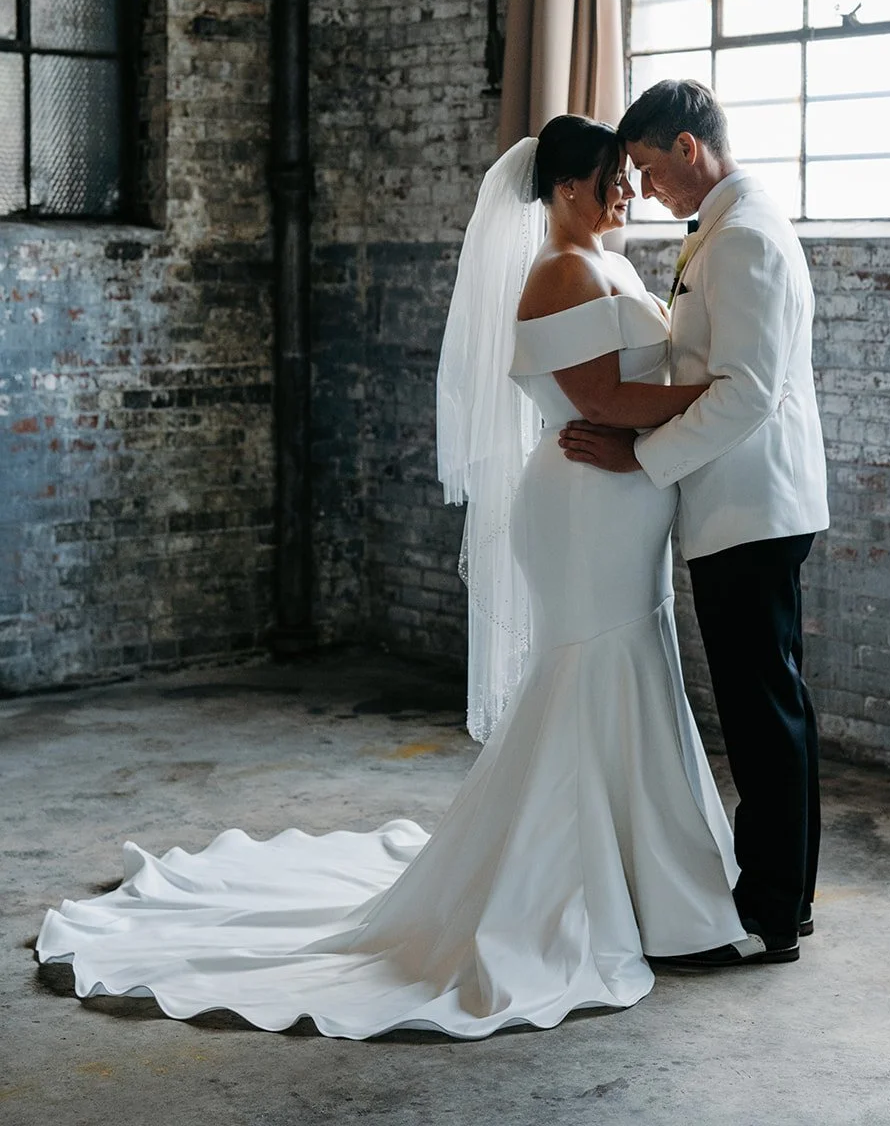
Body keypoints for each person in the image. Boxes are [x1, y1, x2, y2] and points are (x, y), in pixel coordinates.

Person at [36, 116, 751, 1041]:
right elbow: (605, 403)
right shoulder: (561, 271)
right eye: (613, 177)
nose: (627, 191)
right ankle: (576, 884)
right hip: (584, 503)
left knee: (627, 667)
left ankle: (649, 885)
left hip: (623, 500)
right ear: (567, 188)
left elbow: (626, 393)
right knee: (593, 671)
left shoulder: (603, 263)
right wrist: (732, 388)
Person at [560, 81, 829, 967]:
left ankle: (772, 911)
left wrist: (641, 458)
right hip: (748, 501)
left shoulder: (743, 236)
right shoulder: (727, 224)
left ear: (686, 146)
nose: (643, 187)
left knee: (761, 713)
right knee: (772, 702)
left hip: (748, 505)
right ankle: (789, 892)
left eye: (645, 167)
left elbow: (747, 390)